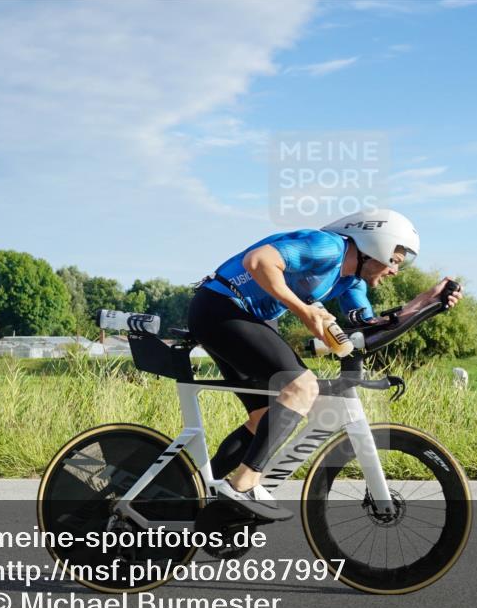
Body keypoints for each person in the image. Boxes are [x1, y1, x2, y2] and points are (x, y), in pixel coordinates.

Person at [187, 209, 462, 521]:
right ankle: (243, 486)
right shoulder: (327, 247)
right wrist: (305, 311)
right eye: (395, 260)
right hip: (221, 307)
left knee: (263, 417)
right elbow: (258, 261)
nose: (395, 271)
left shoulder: (350, 281)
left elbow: (371, 327)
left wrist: (426, 302)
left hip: (247, 316)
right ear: (377, 245)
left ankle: (186, 490)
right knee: (301, 387)